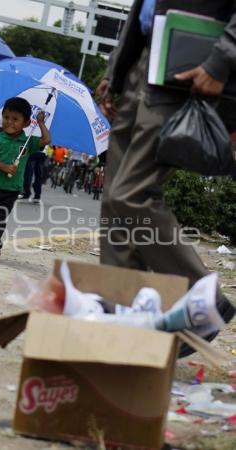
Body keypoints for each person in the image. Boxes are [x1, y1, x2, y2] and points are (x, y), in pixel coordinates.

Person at [96, 0, 236, 355]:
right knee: (114, 199)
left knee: (131, 195)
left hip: (188, 58)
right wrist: (116, 71)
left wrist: (222, 60)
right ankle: (122, 319)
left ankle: (204, 297)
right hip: (141, 60)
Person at [0, 97, 50, 264]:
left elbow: (46, 141)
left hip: (11, 189)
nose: (9, 122)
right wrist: (4, 167)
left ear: (25, 123)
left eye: (15, 119)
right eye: (6, 117)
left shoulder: (27, 142)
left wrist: (40, 123)